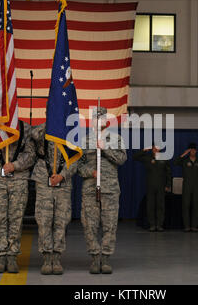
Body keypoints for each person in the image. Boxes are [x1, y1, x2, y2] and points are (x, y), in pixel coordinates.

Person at [78, 107, 127, 274]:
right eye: (95, 118)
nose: (97, 121)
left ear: (106, 121)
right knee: (89, 225)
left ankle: (105, 258)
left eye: (101, 118)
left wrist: (105, 147)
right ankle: (94, 258)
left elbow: (121, 159)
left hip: (110, 189)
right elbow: (78, 165)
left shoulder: (116, 139)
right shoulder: (85, 141)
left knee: (110, 225)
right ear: (92, 121)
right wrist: (89, 172)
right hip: (90, 189)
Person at [0, 120, 35, 273]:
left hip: (18, 177)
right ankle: (0, 256)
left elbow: (31, 154)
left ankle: (12, 256)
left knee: (16, 219)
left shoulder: (25, 128)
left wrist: (15, 165)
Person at [31, 123, 77, 275]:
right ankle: (46, 257)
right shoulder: (41, 129)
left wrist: (62, 175)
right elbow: (33, 137)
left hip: (63, 181)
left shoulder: (71, 131)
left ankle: (56, 258)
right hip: (44, 179)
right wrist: (50, 125)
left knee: (61, 220)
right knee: (44, 220)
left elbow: (75, 158)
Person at [133, 144, 171, 232]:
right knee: (150, 205)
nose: (156, 149)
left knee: (160, 206)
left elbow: (168, 172)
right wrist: (144, 150)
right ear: (152, 148)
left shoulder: (164, 158)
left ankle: (160, 225)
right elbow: (135, 157)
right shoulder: (147, 157)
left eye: (157, 147)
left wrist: (168, 185)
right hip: (150, 186)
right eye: (154, 147)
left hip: (161, 186)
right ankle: (152, 225)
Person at [174, 143, 198, 232]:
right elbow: (175, 162)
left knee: (196, 206)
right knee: (186, 205)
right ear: (189, 151)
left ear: (196, 151)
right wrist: (184, 154)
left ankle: (194, 226)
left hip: (197, 186)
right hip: (187, 185)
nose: (193, 151)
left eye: (194, 150)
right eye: (191, 150)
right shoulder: (184, 160)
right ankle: (187, 226)